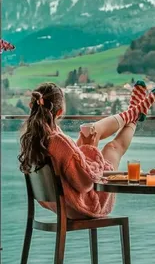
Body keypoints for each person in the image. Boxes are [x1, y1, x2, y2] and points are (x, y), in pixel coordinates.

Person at [18, 81, 155, 219]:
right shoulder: (58, 140)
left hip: (64, 205)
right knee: (113, 147)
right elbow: (86, 183)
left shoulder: (32, 138)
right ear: (60, 112)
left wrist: (81, 148)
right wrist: (90, 148)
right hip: (86, 205)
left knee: (92, 132)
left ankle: (134, 112)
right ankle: (135, 113)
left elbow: (67, 162)